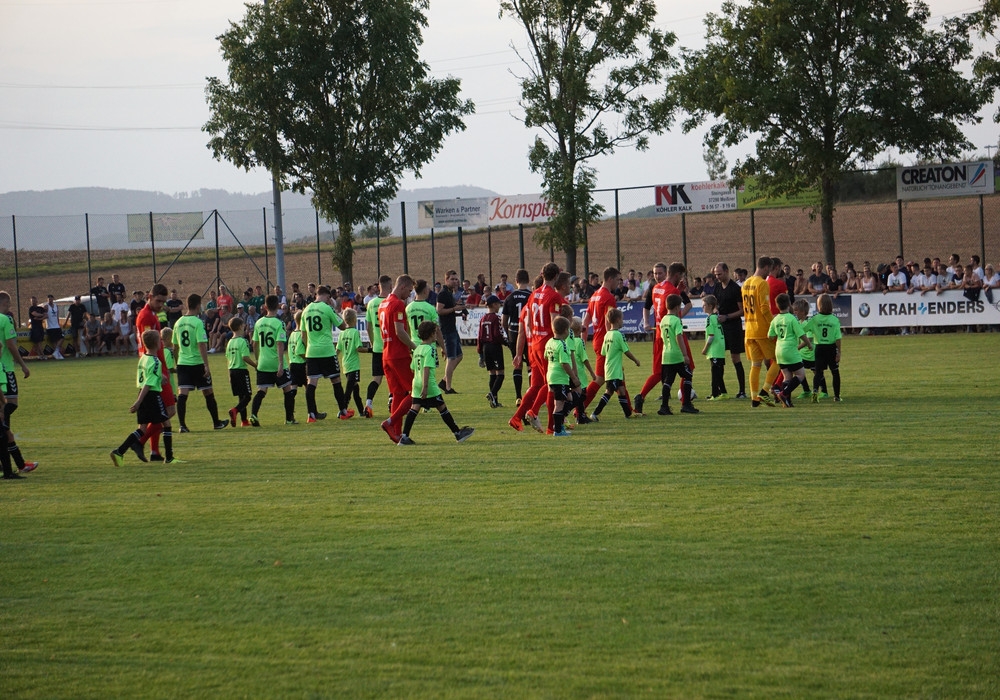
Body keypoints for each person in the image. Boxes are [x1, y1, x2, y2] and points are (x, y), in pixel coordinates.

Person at [396, 321, 475, 445]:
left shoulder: (417, 349)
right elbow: (426, 368)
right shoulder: (430, 349)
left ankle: (404, 437)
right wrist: (425, 387)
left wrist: (419, 384)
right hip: (428, 385)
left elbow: (413, 368)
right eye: (435, 333)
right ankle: (457, 433)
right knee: (442, 407)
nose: (436, 335)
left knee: (414, 408)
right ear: (431, 334)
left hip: (416, 383)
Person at [109, 329, 179, 466]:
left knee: (142, 429)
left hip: (142, 393)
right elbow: (148, 383)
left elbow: (147, 377)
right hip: (152, 396)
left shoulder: (143, 358)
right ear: (157, 344)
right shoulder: (156, 361)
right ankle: (169, 458)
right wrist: (138, 402)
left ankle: (119, 452)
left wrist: (159, 377)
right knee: (167, 423)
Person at [509, 263, 564, 434]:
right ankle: (550, 426)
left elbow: (529, 324)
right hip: (547, 344)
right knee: (552, 384)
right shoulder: (554, 296)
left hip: (534, 344)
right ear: (556, 276)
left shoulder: (533, 294)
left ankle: (517, 417)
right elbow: (555, 322)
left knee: (537, 385)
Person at [635, 262, 692, 413]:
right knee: (688, 367)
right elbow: (672, 308)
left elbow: (659, 306)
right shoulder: (671, 290)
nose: (657, 276)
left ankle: (641, 397)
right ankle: (685, 403)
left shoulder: (656, 288)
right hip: (672, 333)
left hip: (660, 334)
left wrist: (678, 291)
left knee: (659, 372)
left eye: (659, 273)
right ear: (677, 275)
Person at [172, 293, 228, 432]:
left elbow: (175, 346)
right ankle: (216, 423)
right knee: (208, 392)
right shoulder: (197, 322)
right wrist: (206, 365)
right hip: (197, 363)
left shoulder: (178, 322)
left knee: (182, 394)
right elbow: (202, 344)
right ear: (198, 305)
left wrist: (177, 362)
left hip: (183, 363)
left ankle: (182, 425)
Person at [134, 283, 176, 461]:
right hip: (156, 368)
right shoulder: (146, 316)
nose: (161, 305)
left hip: (158, 367)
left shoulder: (151, 314)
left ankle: (155, 452)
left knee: (159, 412)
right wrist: (158, 371)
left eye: (163, 302)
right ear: (149, 297)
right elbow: (147, 347)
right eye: (158, 301)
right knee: (169, 410)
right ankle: (140, 442)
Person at [300, 286, 350, 422]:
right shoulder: (327, 308)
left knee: (311, 383)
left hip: (311, 352)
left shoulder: (306, 310)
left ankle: (311, 415)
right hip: (327, 350)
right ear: (327, 296)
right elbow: (342, 326)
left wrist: (308, 348)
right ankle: (343, 411)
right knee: (336, 381)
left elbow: (303, 335)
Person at [0, 291, 36, 474]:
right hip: (5, 369)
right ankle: (3, 428)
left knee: (4, 412)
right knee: (10, 405)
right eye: (8, 304)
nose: (9, 307)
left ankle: (19, 463)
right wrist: (23, 365)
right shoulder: (5, 320)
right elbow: (11, 345)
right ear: (4, 303)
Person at [379, 275, 418, 444]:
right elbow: (400, 331)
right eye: (409, 291)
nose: (409, 295)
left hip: (386, 354)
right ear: (402, 286)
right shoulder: (398, 304)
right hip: (399, 354)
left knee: (398, 394)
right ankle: (390, 423)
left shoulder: (383, 303)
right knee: (417, 393)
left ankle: (396, 433)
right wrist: (414, 347)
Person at [742, 256, 782, 408]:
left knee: (756, 364)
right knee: (778, 360)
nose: (769, 273)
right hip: (762, 329)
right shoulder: (762, 283)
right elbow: (764, 308)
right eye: (769, 270)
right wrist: (774, 325)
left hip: (749, 330)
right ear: (765, 267)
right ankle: (764, 391)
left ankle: (754, 398)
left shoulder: (746, 283)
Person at [589, 307, 641, 421]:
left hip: (610, 368)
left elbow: (603, 352)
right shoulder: (618, 335)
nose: (622, 321)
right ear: (617, 320)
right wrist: (636, 360)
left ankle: (628, 413)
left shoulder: (607, 335)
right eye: (622, 319)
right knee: (609, 392)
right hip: (614, 370)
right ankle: (595, 413)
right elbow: (626, 351)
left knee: (621, 390)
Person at [581, 266, 621, 411]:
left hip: (598, 340)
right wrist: (613, 339)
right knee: (600, 379)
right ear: (610, 279)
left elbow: (585, 321)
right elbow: (608, 322)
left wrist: (583, 341)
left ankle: (629, 410)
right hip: (606, 342)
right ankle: (579, 408)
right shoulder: (608, 297)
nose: (618, 283)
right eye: (617, 280)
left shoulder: (594, 296)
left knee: (618, 375)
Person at [767, 293, 813, 407]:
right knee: (801, 375)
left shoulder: (775, 319)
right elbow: (801, 334)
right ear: (789, 304)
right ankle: (784, 393)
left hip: (779, 351)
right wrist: (809, 344)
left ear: (777, 305)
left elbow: (770, 336)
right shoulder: (792, 318)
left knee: (787, 377)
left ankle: (787, 402)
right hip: (790, 350)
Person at [658, 294, 698, 415]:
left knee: (668, 381)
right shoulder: (676, 320)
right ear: (676, 307)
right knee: (688, 376)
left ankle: (664, 407)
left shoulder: (663, 320)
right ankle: (686, 404)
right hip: (677, 355)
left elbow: (662, 337)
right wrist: (685, 355)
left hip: (666, 355)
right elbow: (679, 337)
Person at [544, 315, 579, 437]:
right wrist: (574, 378)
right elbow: (564, 363)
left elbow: (546, 357)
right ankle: (558, 430)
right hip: (560, 378)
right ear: (565, 330)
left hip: (551, 376)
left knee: (569, 398)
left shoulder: (549, 342)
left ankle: (559, 423)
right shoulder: (562, 345)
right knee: (559, 404)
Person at [501, 269, 531, 406]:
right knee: (530, 365)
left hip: (514, 333)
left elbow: (503, 321)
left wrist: (508, 335)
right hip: (528, 334)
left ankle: (518, 396)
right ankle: (531, 394)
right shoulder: (531, 296)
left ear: (516, 281)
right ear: (528, 280)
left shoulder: (510, 297)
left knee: (517, 364)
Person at [805, 293, 843, 402]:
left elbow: (804, 329)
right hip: (831, 348)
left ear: (819, 305)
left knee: (818, 372)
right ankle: (836, 396)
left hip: (819, 348)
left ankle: (815, 393)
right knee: (835, 372)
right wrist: (839, 352)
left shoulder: (815, 318)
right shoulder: (834, 319)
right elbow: (838, 338)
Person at [363, 275, 392, 418]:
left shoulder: (371, 303)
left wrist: (372, 343)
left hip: (377, 348)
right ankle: (392, 401)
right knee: (393, 377)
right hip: (390, 347)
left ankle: (368, 404)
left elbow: (368, 327)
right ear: (389, 286)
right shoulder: (391, 302)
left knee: (377, 378)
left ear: (378, 286)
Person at [436, 270, 465, 393]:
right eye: (452, 279)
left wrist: (458, 307)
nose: (455, 281)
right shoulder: (443, 294)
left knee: (459, 356)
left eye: (456, 279)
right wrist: (454, 308)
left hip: (452, 328)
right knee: (451, 358)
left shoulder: (449, 293)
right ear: (446, 280)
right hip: (447, 329)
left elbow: (449, 309)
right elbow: (439, 310)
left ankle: (444, 381)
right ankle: (448, 387)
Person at [336, 308, 367, 418]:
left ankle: (361, 411)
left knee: (355, 388)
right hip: (354, 365)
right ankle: (342, 410)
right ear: (354, 320)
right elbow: (359, 348)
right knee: (349, 390)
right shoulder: (355, 332)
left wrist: (334, 360)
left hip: (345, 365)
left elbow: (337, 350)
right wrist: (370, 350)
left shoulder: (342, 333)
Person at [226, 317, 257, 427]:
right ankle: (235, 410)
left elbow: (228, 359)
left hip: (232, 371)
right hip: (241, 371)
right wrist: (255, 365)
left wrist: (229, 374)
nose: (244, 327)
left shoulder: (230, 342)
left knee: (241, 396)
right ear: (240, 327)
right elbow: (245, 357)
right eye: (243, 325)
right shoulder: (243, 341)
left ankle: (244, 421)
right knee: (247, 396)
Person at [477, 295, 506, 408]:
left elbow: (479, 337)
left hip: (485, 348)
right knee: (501, 374)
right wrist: (506, 343)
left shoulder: (483, 319)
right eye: (498, 304)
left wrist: (480, 353)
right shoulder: (496, 318)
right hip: (495, 347)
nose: (499, 306)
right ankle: (492, 393)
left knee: (492, 374)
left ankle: (494, 402)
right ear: (494, 305)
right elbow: (497, 334)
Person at [700, 294, 728, 400]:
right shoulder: (717, 317)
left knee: (715, 372)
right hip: (720, 347)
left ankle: (715, 394)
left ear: (710, 306)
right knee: (719, 372)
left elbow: (711, 336)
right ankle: (723, 393)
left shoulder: (710, 318)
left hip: (714, 349)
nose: (702, 307)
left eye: (704, 305)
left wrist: (705, 349)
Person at [791, 298, 819, 397]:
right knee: (798, 371)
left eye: (796, 310)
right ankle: (806, 390)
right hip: (802, 354)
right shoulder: (798, 322)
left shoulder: (808, 323)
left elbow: (809, 339)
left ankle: (824, 391)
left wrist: (797, 348)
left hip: (811, 354)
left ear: (803, 312)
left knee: (817, 372)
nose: (794, 313)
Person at [44, 294, 65, 360]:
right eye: (49, 299)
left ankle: (56, 352)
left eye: (51, 299)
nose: (50, 300)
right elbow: (44, 315)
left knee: (62, 338)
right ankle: (57, 354)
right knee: (54, 341)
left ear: (53, 299)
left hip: (56, 326)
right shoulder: (46, 306)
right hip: (50, 327)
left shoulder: (56, 306)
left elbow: (57, 316)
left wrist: (58, 324)